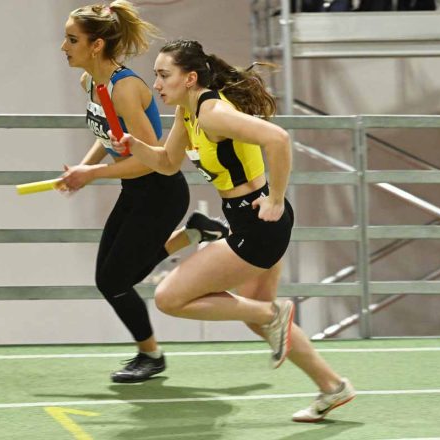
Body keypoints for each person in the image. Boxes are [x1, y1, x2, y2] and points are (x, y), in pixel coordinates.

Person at [110, 39, 356, 422]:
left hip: (258, 223)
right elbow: (168, 162)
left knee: (169, 297)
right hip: (248, 221)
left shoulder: (212, 113)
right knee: (258, 320)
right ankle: (332, 386)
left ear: (190, 78)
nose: (155, 84)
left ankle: (274, 313)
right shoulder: (187, 113)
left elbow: (278, 139)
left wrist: (276, 198)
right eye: (155, 75)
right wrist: (133, 146)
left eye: (163, 75)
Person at [59, 3, 228, 383]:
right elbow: (109, 136)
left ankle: (151, 356)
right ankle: (195, 232)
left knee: (113, 281)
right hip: (135, 190)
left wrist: (92, 174)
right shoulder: (90, 82)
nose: (63, 47)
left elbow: (152, 159)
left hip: (159, 191)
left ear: (96, 45)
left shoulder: (125, 89)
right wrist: (82, 168)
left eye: (72, 39)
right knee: (113, 276)